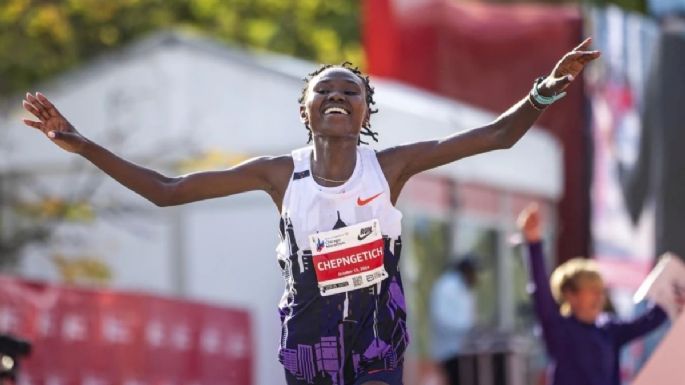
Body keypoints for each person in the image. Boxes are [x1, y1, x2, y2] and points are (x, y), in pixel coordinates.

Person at [21, 38, 599, 385]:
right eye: (325, 91)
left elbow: (497, 136)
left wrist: (548, 87)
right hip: (308, 335)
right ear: (306, 111)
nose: (338, 97)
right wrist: (80, 142)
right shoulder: (279, 173)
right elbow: (166, 189)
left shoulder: (390, 165)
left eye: (351, 91)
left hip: (376, 331)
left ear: (367, 110)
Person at [516, 204, 667, 385]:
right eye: (592, 291)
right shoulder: (558, 329)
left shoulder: (609, 329)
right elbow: (540, 289)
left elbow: (651, 320)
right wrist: (533, 243)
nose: (599, 297)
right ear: (570, 295)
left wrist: (671, 289)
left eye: (601, 291)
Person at [430, 257, 478, 384]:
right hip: (451, 352)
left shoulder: (465, 290)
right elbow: (442, 320)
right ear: (466, 271)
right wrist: (468, 328)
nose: (475, 277)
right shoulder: (447, 287)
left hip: (465, 351)